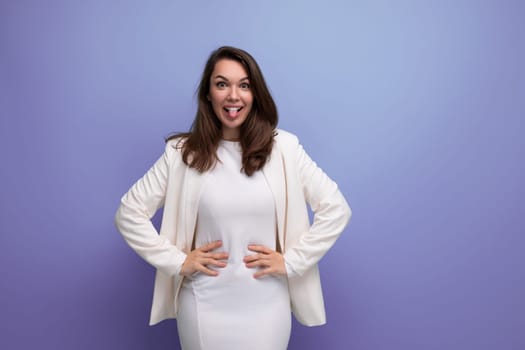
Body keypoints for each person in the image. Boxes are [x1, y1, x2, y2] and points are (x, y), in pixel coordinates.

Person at [115, 46, 351, 350]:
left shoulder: (285, 149)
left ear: (255, 94)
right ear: (208, 94)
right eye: (222, 84)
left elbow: (337, 209)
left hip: (267, 306)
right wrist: (178, 261)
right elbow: (128, 213)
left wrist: (292, 262)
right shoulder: (181, 154)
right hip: (203, 303)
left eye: (244, 85)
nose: (233, 96)